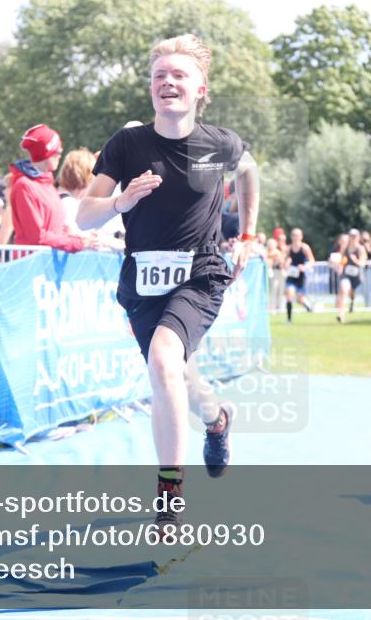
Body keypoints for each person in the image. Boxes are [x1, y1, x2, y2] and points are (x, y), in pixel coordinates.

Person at [76, 34, 259, 528]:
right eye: (159, 76)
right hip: (142, 281)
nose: (168, 82)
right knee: (175, 377)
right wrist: (121, 201)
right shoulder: (127, 144)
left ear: (201, 89)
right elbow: (84, 215)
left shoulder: (220, 143)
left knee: (162, 360)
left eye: (179, 75)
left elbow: (249, 172)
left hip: (200, 274)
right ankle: (217, 420)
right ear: (151, 88)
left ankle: (169, 499)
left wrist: (246, 234)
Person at [9, 124, 84, 251]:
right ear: (46, 153)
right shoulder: (24, 186)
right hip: (32, 261)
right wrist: (78, 244)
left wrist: (82, 239)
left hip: (47, 259)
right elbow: (37, 237)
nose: (60, 155)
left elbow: (58, 229)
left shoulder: (48, 183)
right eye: (58, 151)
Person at [283, 227, 316, 322]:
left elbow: (312, 261)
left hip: (301, 276)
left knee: (300, 299)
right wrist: (286, 263)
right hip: (291, 275)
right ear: (291, 236)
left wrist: (305, 266)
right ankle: (289, 319)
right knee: (289, 294)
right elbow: (284, 261)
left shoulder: (305, 248)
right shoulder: (288, 248)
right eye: (294, 235)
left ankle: (308, 306)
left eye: (297, 235)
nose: (296, 237)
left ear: (301, 236)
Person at [336, 228, 367, 323]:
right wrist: (340, 266)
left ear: (358, 237)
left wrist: (355, 260)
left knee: (351, 292)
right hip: (346, 274)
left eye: (355, 236)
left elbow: (362, 263)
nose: (353, 238)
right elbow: (341, 260)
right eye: (351, 236)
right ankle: (341, 314)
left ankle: (352, 302)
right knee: (343, 291)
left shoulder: (361, 249)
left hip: (356, 275)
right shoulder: (345, 248)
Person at [265, 236, 286, 313]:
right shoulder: (266, 252)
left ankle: (279, 306)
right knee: (272, 290)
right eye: (269, 244)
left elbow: (281, 263)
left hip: (278, 273)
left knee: (280, 290)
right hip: (270, 273)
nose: (270, 246)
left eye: (272, 244)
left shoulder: (277, 252)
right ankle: (271, 306)